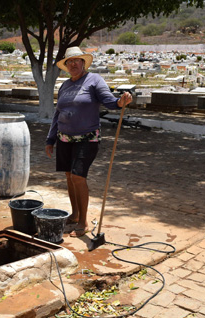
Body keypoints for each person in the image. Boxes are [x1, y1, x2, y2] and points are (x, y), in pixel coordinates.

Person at [45, 46, 132, 238]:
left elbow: (109, 101)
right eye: (69, 61)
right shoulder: (65, 86)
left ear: (83, 62)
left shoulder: (94, 80)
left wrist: (120, 101)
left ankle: (83, 221)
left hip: (87, 138)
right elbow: (57, 114)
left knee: (78, 177)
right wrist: (50, 139)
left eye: (77, 60)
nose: (73, 64)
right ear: (66, 66)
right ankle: (74, 214)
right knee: (69, 176)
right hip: (64, 138)